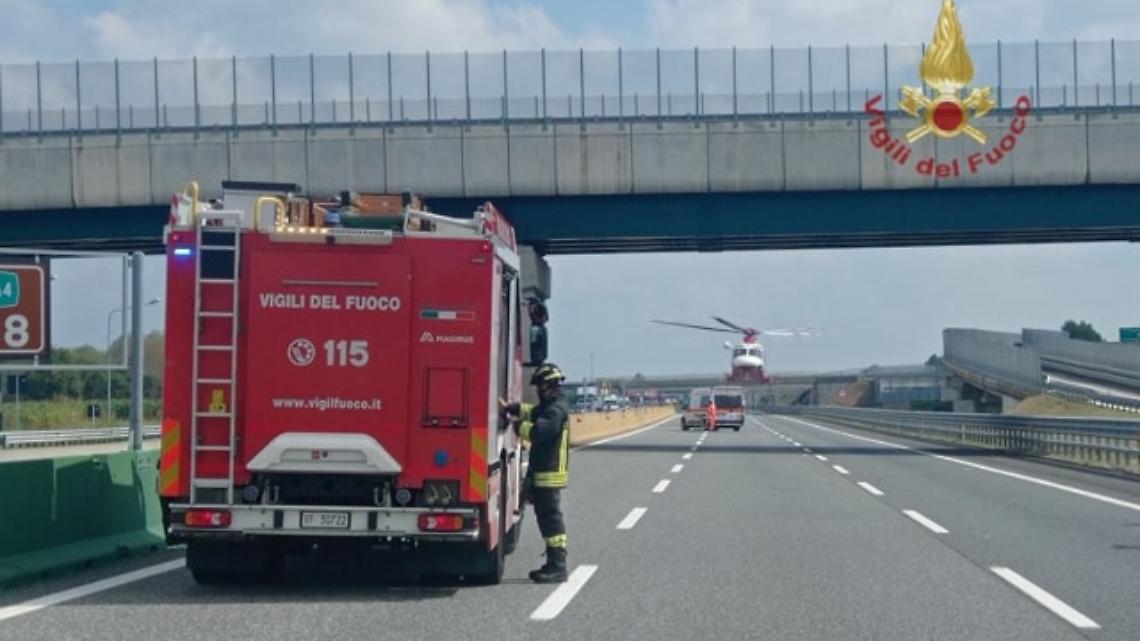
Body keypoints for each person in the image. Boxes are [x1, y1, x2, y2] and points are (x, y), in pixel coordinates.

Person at [505, 363, 571, 583]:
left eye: (541, 386)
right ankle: (553, 563)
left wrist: (518, 427)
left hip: (549, 473)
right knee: (545, 518)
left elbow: (541, 430)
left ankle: (558, 565)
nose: (538, 391)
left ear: (549, 385)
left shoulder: (557, 408)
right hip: (542, 471)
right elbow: (533, 412)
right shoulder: (550, 405)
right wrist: (513, 408)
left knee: (550, 519)